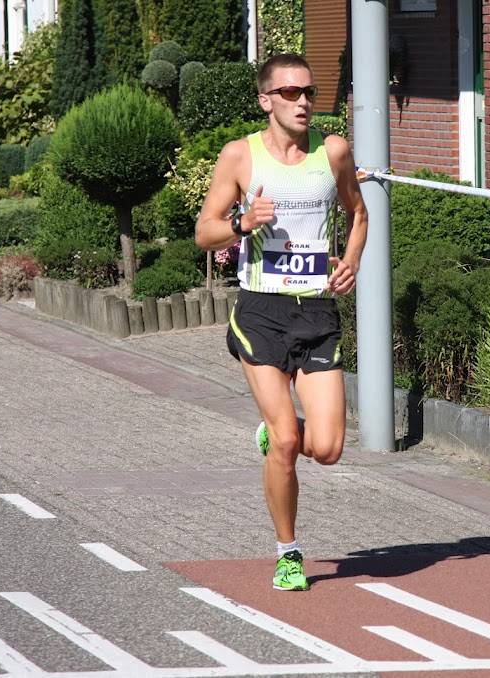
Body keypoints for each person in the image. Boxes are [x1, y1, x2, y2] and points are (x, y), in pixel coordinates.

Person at [195, 54, 368, 591]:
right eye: (290, 93)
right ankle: (288, 553)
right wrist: (243, 223)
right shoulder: (239, 155)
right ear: (266, 100)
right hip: (261, 312)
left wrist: (351, 262)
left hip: (316, 310)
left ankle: (275, 435)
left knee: (328, 449)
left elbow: (358, 213)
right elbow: (204, 231)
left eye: (309, 92)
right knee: (289, 442)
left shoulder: (333, 151)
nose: (303, 101)